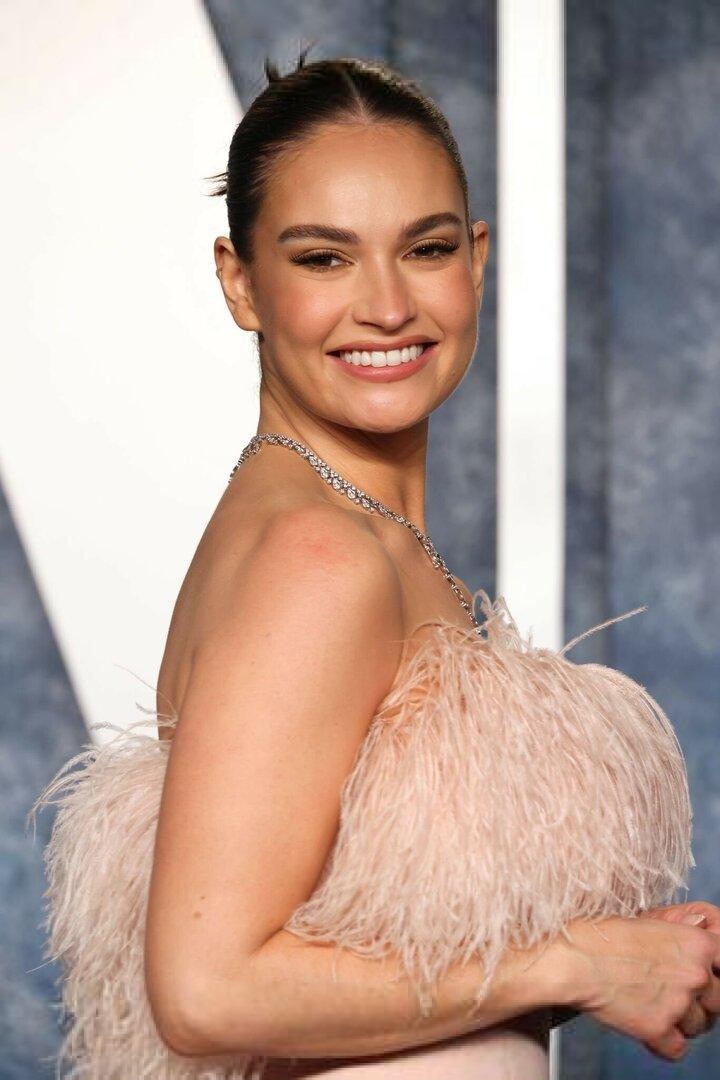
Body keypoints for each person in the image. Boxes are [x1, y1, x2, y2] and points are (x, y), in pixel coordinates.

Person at [28, 50, 720, 1080]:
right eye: (324, 259)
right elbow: (208, 989)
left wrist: (614, 960)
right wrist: (577, 963)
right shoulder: (318, 558)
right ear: (240, 283)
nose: (388, 307)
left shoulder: (351, 533)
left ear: (476, 260)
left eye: (426, 249)